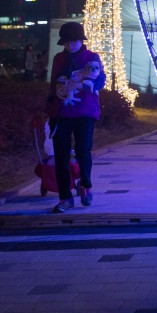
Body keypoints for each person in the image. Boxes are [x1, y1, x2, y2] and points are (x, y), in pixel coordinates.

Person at [47, 21, 106, 213]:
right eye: (66, 42)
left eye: (73, 41)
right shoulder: (58, 59)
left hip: (85, 111)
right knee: (61, 154)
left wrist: (82, 85)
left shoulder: (91, 57)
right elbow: (54, 81)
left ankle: (86, 186)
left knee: (83, 150)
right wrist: (57, 94)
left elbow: (99, 81)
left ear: (80, 40)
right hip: (62, 111)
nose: (69, 45)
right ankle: (65, 197)